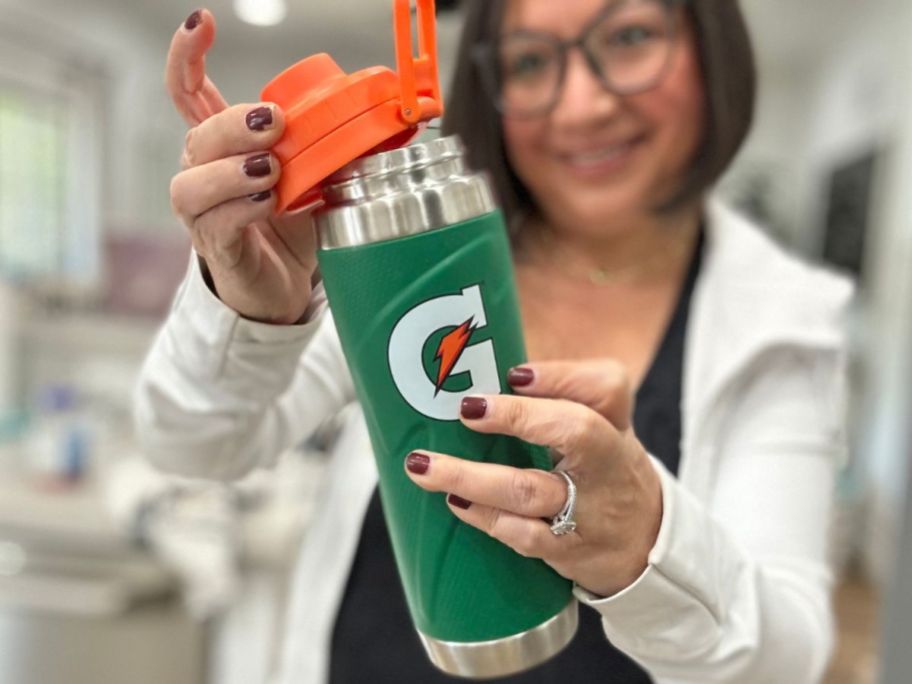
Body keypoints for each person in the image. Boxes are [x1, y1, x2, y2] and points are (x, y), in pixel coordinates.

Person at [137, 1, 853, 682]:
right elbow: (194, 447)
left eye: (631, 38)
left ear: (708, 48)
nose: (583, 105)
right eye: (531, 61)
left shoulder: (778, 323)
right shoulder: (413, 254)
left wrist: (649, 543)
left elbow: (786, 660)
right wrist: (249, 312)